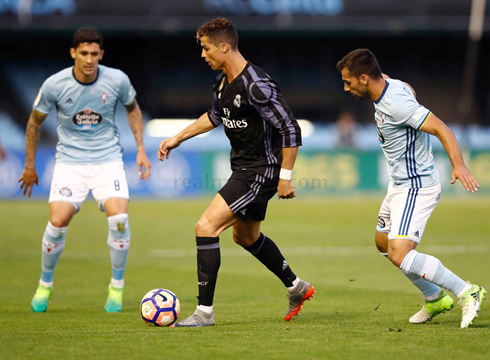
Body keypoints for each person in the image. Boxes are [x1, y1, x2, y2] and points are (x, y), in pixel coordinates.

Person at [158, 18, 314, 327]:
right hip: (243, 168)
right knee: (245, 236)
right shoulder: (222, 83)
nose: (203, 55)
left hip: (261, 171)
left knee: (205, 226)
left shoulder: (256, 84)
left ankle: (204, 313)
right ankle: (296, 287)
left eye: (206, 48)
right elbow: (214, 116)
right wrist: (178, 137)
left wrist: (284, 176)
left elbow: (290, 128)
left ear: (224, 47)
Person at [336, 48, 486, 328]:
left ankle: (468, 291)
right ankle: (434, 298)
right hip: (399, 184)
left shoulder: (396, 104)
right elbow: (408, 88)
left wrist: (459, 165)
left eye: (348, 81)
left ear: (365, 78)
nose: (346, 88)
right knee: (383, 243)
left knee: (400, 253)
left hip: (417, 186)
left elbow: (442, 128)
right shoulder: (391, 85)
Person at [17, 27, 151, 313]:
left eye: (94, 54)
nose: (89, 59)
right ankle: (45, 283)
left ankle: (116, 287)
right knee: (58, 221)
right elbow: (34, 122)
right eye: (84, 53)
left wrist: (140, 149)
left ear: (101, 54)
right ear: (73, 53)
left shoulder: (117, 79)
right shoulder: (54, 84)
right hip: (70, 163)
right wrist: (30, 166)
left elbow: (133, 109)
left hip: (108, 160)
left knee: (120, 220)